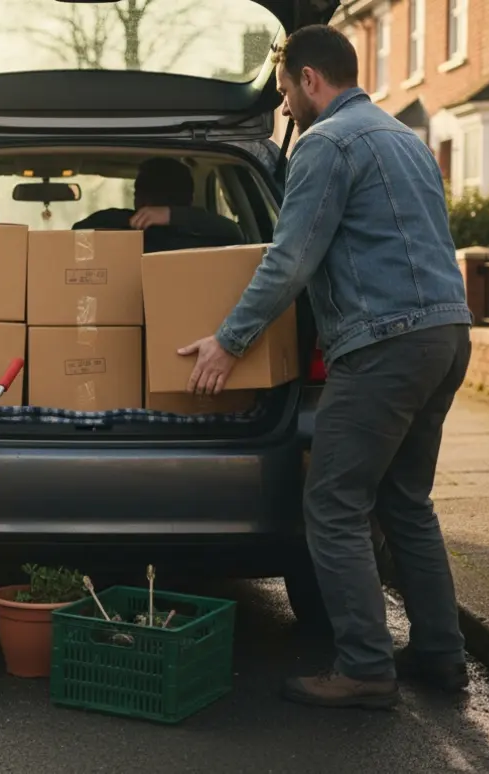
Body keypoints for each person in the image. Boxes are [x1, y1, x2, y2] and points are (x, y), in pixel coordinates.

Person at [177, 25, 473, 709]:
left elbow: (290, 258)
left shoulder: (326, 144)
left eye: (284, 92)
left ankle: (366, 668)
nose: (283, 109)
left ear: (310, 80)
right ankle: (439, 654)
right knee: (406, 503)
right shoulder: (405, 139)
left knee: (334, 505)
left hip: (384, 345)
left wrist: (230, 340)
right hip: (445, 335)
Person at [71, 157, 243, 251]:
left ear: (186, 199)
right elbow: (74, 239)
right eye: (141, 191)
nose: (147, 201)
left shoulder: (203, 233)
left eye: (161, 193)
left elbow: (235, 234)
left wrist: (172, 216)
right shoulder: (114, 222)